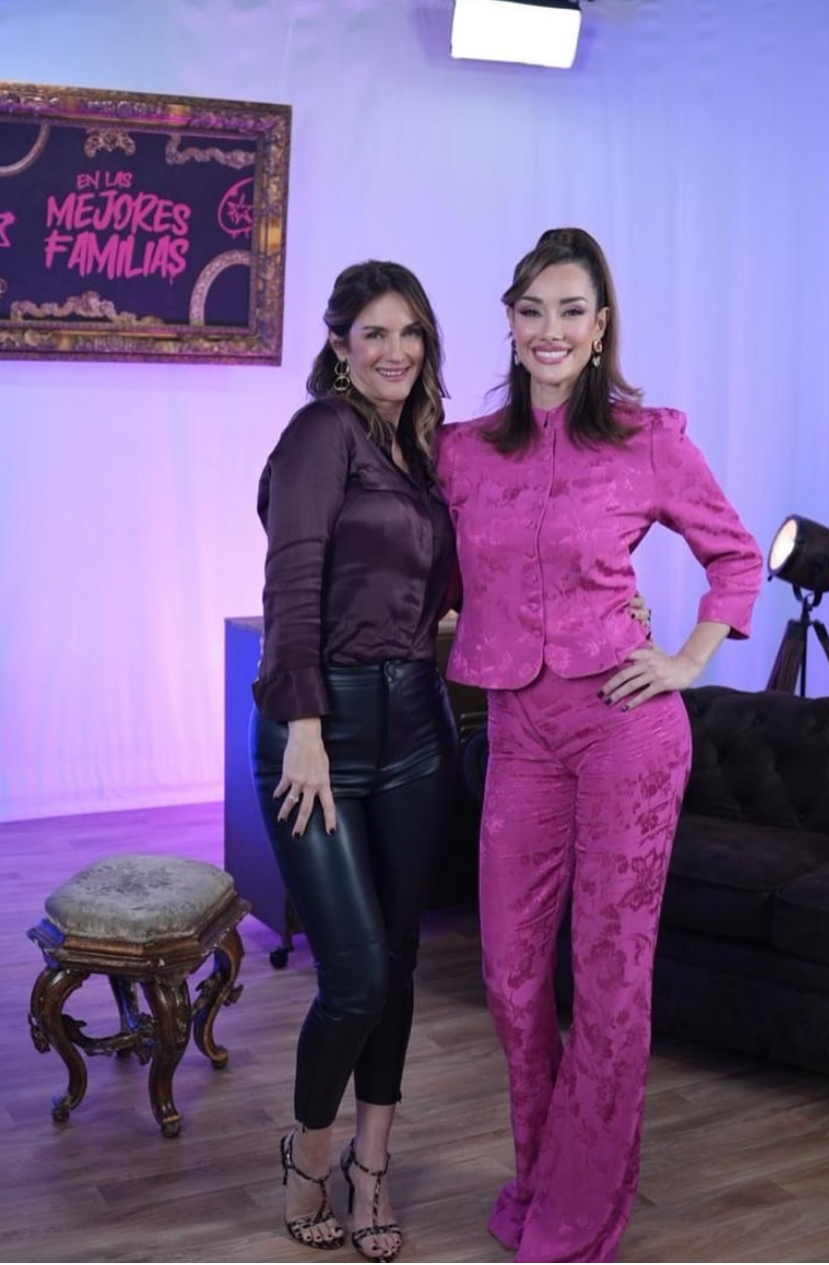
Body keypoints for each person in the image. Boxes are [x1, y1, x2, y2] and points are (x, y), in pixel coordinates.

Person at [436, 227, 763, 1264]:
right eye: (532, 308)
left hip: (626, 729)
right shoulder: (463, 450)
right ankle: (540, 1177)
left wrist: (686, 658)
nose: (550, 329)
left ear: (600, 324)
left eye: (570, 310)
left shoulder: (644, 438)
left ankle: (579, 1212)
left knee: (611, 977)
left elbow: (735, 557)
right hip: (517, 731)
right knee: (509, 975)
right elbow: (429, 563)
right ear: (508, 319)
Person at [248, 260, 459, 1260]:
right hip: (318, 729)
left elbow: (460, 585)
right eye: (373, 332)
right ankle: (309, 1152)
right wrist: (302, 725)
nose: (394, 350)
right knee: (356, 972)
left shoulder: (428, 453)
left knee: (399, 961)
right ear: (338, 345)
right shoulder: (319, 433)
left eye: (409, 331)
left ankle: (373, 1166)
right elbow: (291, 581)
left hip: (417, 724)